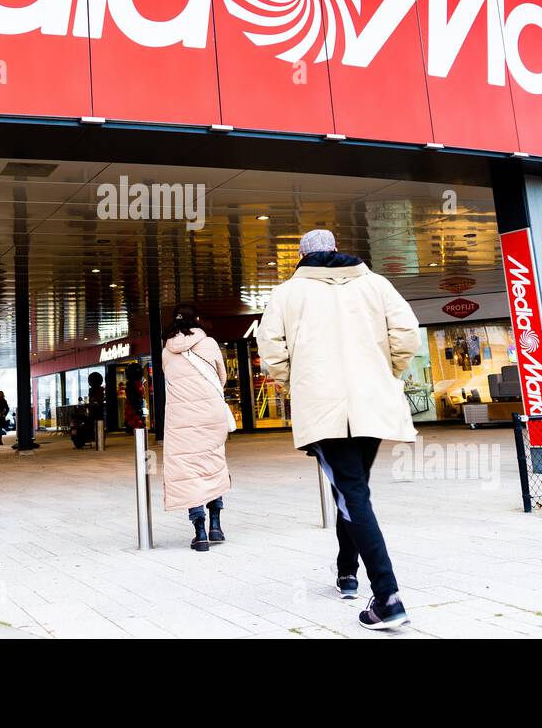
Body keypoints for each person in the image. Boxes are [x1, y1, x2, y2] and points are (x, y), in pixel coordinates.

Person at [257, 229, 421, 631]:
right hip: (373, 405)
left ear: (301, 256)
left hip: (324, 409)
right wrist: (388, 372)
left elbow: (271, 351)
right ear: (335, 250)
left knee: (353, 494)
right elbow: (407, 335)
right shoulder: (376, 284)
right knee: (354, 490)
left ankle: (387, 596)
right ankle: (347, 572)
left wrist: (296, 382)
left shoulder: (286, 294)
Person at [160, 304, 232, 552]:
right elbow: (221, 378)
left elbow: (168, 379)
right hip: (210, 414)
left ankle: (199, 532)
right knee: (212, 465)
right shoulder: (209, 343)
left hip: (180, 418)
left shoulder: (166, 350)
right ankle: (215, 525)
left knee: (189, 472)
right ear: (196, 320)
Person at [123, 364, 146, 433]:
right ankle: (134, 428)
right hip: (133, 405)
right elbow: (133, 396)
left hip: (134, 404)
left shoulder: (134, 384)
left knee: (134, 417)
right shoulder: (134, 384)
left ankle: (133, 428)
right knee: (134, 417)